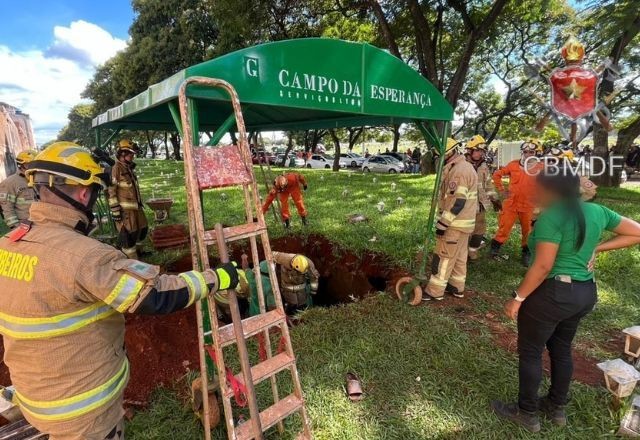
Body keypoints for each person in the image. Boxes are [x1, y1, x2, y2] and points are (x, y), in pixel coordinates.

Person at [0, 142, 241, 440]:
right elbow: (153, 295)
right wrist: (216, 278)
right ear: (84, 192)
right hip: (84, 416)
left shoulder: (8, 244)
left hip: (37, 400)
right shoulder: (85, 256)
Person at [491, 164, 640, 433]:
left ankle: (527, 413)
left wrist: (517, 297)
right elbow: (636, 232)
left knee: (531, 352)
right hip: (584, 293)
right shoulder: (596, 211)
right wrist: (597, 246)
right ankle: (556, 407)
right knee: (561, 348)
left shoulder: (553, 217)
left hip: (553, 293)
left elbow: (542, 267)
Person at [423, 138, 478, 301]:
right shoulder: (464, 167)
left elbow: (457, 201)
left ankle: (434, 291)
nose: (437, 159)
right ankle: (456, 287)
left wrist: (443, 223)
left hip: (454, 225)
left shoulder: (459, 171)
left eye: (438, 156)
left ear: (448, 153)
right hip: (465, 225)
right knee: (460, 258)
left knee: (443, 258)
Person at [490, 139, 540, 266]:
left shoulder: (542, 168)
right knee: (504, 226)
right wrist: (501, 190)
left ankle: (526, 252)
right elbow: (497, 175)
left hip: (529, 205)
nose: (528, 154)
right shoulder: (513, 165)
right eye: (525, 151)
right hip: (511, 203)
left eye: (531, 152)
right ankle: (495, 248)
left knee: (528, 230)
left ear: (536, 153)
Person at [108, 139, 148, 258]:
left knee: (142, 229)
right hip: (125, 211)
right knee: (129, 236)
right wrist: (115, 211)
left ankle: (140, 253)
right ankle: (132, 261)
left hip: (136, 207)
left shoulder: (128, 167)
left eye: (133, 154)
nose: (132, 156)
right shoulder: (116, 168)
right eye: (130, 154)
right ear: (122, 154)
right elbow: (111, 190)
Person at [465, 135, 498, 260]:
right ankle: (462, 254)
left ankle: (472, 251)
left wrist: (494, 199)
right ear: (470, 151)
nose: (480, 154)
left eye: (482, 151)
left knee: (479, 230)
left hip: (480, 205)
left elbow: (488, 184)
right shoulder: (462, 165)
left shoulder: (483, 166)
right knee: (465, 231)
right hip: (465, 205)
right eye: (477, 150)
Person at [0, 150, 37, 229]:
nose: (32, 168)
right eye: (29, 165)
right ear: (20, 165)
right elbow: (7, 208)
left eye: (34, 165)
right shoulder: (10, 183)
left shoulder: (37, 179)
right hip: (24, 225)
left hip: (40, 223)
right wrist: (16, 228)